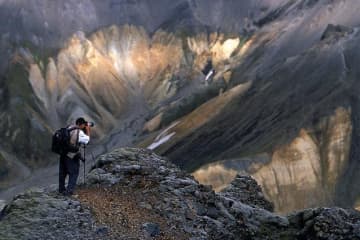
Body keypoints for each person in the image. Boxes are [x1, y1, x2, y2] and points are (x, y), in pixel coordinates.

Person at [59, 117, 90, 196]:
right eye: (84, 124)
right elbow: (87, 140)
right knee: (74, 173)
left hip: (63, 154)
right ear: (80, 124)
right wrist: (88, 129)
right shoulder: (79, 132)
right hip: (71, 156)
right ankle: (69, 192)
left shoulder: (68, 128)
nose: (84, 126)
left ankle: (61, 189)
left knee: (63, 173)